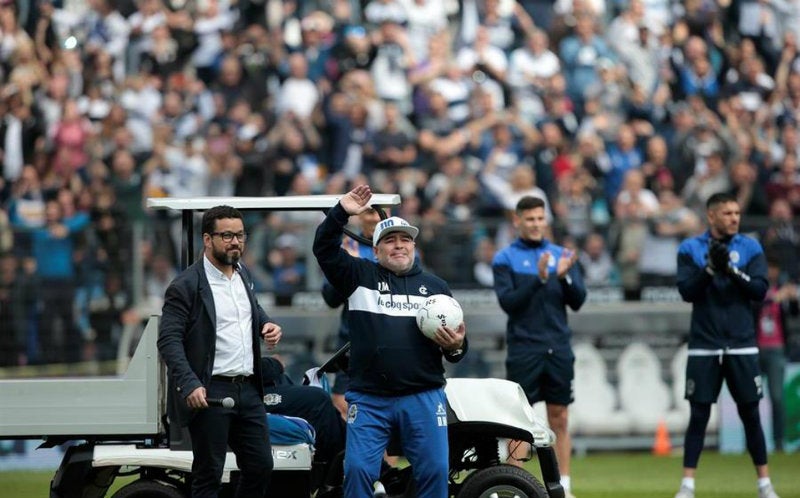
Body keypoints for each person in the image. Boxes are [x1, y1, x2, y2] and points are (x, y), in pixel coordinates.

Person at [313, 184, 468, 498]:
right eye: (390, 241)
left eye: (405, 240)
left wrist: (455, 346)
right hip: (370, 400)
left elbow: (458, 346)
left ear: (413, 246)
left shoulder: (436, 287)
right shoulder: (358, 276)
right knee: (357, 471)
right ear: (376, 249)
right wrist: (341, 211)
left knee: (435, 472)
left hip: (423, 396)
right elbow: (324, 249)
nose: (399, 246)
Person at [158, 205, 283, 498]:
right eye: (226, 235)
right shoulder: (186, 285)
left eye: (240, 235)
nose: (235, 242)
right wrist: (190, 382)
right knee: (209, 474)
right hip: (210, 392)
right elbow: (168, 340)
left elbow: (251, 312)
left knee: (261, 466)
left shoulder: (242, 274)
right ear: (207, 239)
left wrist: (267, 325)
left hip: (249, 389)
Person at [674, 192, 779, 498]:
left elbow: (759, 290)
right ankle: (687, 486)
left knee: (751, 413)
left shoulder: (750, 247)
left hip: (742, 343)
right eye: (728, 213)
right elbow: (687, 292)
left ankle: (765, 484)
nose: (735, 218)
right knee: (698, 415)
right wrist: (709, 270)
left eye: (737, 213)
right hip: (704, 344)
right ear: (711, 216)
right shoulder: (690, 248)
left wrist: (730, 270)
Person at [491, 195, 587, 498]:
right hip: (524, 348)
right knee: (518, 421)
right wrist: (540, 278)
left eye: (539, 218)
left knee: (560, 417)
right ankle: (514, 485)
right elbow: (509, 303)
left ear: (546, 220)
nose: (535, 224)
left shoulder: (562, 255)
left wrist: (565, 277)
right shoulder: (504, 258)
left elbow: (578, 301)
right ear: (517, 221)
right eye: (529, 219)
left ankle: (565, 487)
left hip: (557, 347)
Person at [321, 206, 382, 418]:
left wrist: (359, 265)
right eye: (369, 213)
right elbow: (330, 298)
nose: (374, 218)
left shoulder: (401, 249)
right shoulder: (346, 249)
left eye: (379, 213)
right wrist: (348, 268)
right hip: (352, 343)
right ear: (359, 217)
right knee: (342, 403)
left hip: (388, 342)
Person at [755, 256, 798, 453]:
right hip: (755, 349)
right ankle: (752, 441)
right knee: (750, 398)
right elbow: (752, 308)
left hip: (777, 349)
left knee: (777, 397)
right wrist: (773, 298)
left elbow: (794, 315)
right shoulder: (755, 288)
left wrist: (793, 298)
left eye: (773, 269)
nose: (770, 273)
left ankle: (778, 442)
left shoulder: (782, 291)